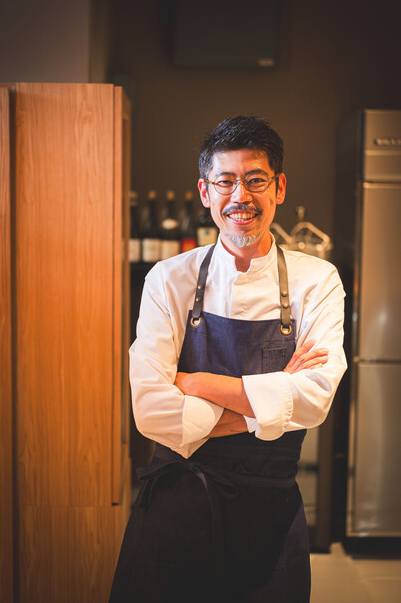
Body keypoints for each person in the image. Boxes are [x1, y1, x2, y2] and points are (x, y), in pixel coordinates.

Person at [109, 115, 347, 603]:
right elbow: (150, 411)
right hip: (176, 507)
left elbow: (315, 399)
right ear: (205, 191)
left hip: (269, 514)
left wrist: (195, 383)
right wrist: (270, 405)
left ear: (279, 188)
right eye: (225, 181)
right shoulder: (169, 279)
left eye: (256, 180)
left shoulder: (317, 281)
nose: (241, 196)